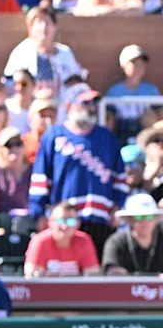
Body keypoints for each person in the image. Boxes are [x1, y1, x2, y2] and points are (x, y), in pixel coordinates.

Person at [29, 88, 127, 256]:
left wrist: (116, 208)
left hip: (99, 219)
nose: (91, 107)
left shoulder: (107, 137)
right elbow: (40, 178)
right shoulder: (54, 136)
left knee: (96, 267)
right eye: (85, 103)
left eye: (93, 103)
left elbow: (120, 178)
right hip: (64, 221)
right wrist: (38, 212)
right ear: (69, 105)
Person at [3, 5, 84, 104]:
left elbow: (76, 85)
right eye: (39, 22)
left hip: (62, 107)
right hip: (31, 108)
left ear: (55, 26)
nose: (43, 27)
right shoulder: (21, 52)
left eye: (47, 22)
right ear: (31, 27)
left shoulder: (65, 53)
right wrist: (34, 94)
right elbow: (9, 86)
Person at [23, 201, 99, 276]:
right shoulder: (40, 241)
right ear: (50, 222)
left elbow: (92, 275)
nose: (64, 226)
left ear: (78, 224)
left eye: (70, 221)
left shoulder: (84, 241)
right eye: (60, 221)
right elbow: (31, 275)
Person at [105, 45, 161, 144]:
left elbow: (161, 119)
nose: (139, 67)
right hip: (121, 140)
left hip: (146, 142)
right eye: (134, 63)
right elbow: (109, 123)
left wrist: (152, 126)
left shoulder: (151, 90)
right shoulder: (114, 92)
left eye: (142, 63)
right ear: (123, 66)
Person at [102, 192, 163, 274]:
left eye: (149, 217)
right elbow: (112, 272)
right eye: (138, 217)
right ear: (129, 219)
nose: (144, 221)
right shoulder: (116, 242)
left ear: (156, 219)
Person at [0, 127, 32, 215]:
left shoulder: (34, 170)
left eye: (18, 143)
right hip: (4, 220)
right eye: (9, 145)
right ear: (0, 149)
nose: (14, 148)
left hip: (30, 220)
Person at [22, 97, 57, 164]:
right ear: (30, 119)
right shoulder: (23, 144)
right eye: (42, 115)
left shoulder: (60, 144)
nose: (47, 120)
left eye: (50, 116)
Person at [6, 69, 35, 135]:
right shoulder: (7, 108)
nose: (19, 88)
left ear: (33, 85)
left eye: (23, 84)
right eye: (15, 84)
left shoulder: (41, 108)